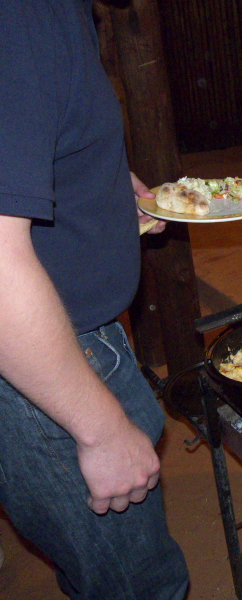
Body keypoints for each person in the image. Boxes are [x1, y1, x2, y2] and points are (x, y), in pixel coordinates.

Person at [0, 1, 188, 599]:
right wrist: (101, 430)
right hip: (49, 371)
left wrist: (100, 185)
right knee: (139, 587)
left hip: (62, 347)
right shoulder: (23, 14)